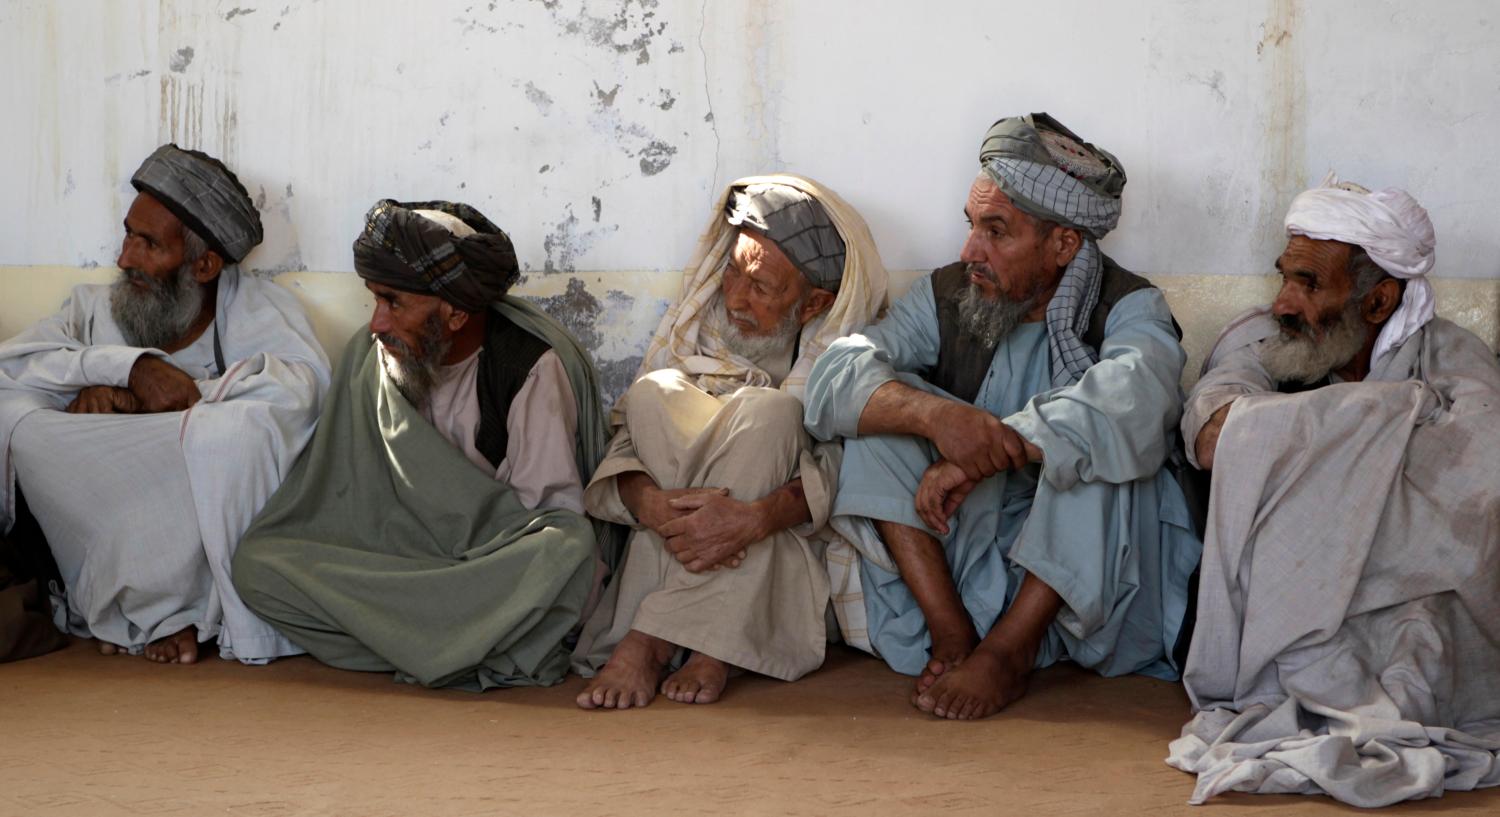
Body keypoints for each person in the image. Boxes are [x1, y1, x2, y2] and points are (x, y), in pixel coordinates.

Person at [804, 114, 1201, 720]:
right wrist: (936, 418)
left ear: (1063, 245)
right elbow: (832, 379)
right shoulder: (948, 293)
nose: (970, 252)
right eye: (972, 226)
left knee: (1101, 446)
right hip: (967, 538)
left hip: (1083, 562)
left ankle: (1009, 653)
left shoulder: (1129, 303)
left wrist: (1003, 441)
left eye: (997, 232)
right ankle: (953, 633)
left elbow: (1137, 396)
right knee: (878, 409)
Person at [1168, 175, 1500, 806]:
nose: (1284, 302)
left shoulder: (1450, 354)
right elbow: (1216, 436)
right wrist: (1395, 419)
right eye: (1284, 276)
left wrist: (1313, 442)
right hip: (1280, 597)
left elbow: (1482, 470)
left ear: (1377, 303)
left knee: (1418, 649)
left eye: (1310, 284)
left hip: (1409, 592)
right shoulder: (1262, 341)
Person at [233, 200, 616, 690]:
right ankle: (452, 643)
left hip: (485, 563)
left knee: (566, 555)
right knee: (259, 566)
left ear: (455, 313)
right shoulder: (373, 356)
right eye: (374, 300)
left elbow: (550, 517)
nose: (376, 322)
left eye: (393, 302)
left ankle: (413, 637)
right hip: (402, 558)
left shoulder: (527, 366)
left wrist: (460, 554)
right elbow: (343, 499)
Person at [0, 143, 330, 664]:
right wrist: (121, 370)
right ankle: (128, 604)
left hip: (191, 476)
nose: (124, 258)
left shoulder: (255, 312)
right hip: (104, 487)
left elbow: (303, 392)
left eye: (148, 244)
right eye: (128, 233)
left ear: (204, 265)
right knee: (15, 416)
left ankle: (192, 611)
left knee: (231, 439)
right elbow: (10, 368)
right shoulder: (93, 310)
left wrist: (185, 398)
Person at [573, 175, 888, 709]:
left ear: (814, 303)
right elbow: (627, 447)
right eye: (733, 272)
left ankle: (651, 639)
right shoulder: (697, 334)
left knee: (773, 412)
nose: (736, 297)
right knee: (653, 393)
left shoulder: (849, 358)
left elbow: (846, 471)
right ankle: (712, 639)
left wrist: (755, 518)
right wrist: (651, 503)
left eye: (761, 286)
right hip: (695, 537)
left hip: (781, 536)